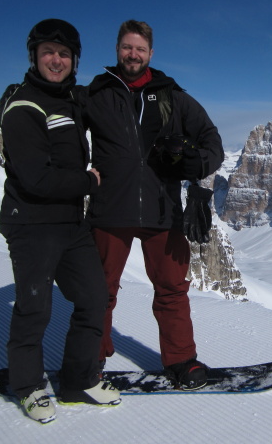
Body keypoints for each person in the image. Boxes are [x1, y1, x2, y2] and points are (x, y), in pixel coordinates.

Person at [79, 20, 224, 390]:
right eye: (127, 47)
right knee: (100, 290)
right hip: (111, 209)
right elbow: (60, 123)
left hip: (164, 210)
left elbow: (211, 140)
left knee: (173, 289)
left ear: (150, 54)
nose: (133, 54)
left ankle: (181, 362)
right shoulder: (97, 93)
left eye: (139, 49)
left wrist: (198, 167)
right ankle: (90, 360)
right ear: (117, 49)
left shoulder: (172, 96)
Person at [0, 18, 121, 423]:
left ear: (74, 61)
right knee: (35, 308)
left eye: (64, 54)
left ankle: (77, 380)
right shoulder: (23, 105)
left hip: (70, 222)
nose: (56, 59)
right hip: (31, 222)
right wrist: (88, 181)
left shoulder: (69, 100)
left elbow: (100, 103)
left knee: (93, 297)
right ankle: (29, 387)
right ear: (34, 56)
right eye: (48, 51)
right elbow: (35, 177)